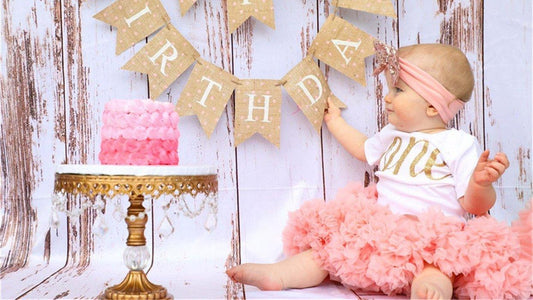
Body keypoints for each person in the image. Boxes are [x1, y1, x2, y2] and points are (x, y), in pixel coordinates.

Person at [227, 42, 532, 299]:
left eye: (398, 90)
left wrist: (481, 183)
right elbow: (363, 148)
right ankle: (279, 275)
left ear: (431, 106)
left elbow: (473, 206)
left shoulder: (458, 143)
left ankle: (428, 290)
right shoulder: (391, 134)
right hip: (382, 231)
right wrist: (335, 122)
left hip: (432, 240)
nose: (387, 97)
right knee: (328, 254)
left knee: (436, 272)